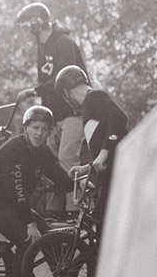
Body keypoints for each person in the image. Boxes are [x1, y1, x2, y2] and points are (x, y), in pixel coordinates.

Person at [0, 105, 75, 277]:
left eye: (44, 129)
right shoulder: (16, 150)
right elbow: (18, 191)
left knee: (49, 237)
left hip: (15, 206)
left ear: (49, 132)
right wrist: (30, 223)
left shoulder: (42, 152)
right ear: (25, 129)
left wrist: (84, 183)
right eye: (35, 128)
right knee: (27, 240)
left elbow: (61, 179)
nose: (39, 133)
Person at [54, 65, 129, 245]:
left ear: (66, 93)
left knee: (106, 232)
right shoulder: (90, 104)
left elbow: (119, 118)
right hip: (112, 174)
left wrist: (102, 156)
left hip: (119, 175)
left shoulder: (94, 98)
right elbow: (108, 148)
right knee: (103, 229)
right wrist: (86, 167)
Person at [15, 2, 90, 171]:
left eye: (25, 27)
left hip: (74, 112)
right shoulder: (42, 48)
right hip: (56, 114)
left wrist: (34, 91)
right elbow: (45, 83)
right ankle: (55, 198)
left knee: (66, 158)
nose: (24, 33)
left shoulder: (64, 43)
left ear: (37, 25)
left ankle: (76, 198)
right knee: (48, 161)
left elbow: (63, 79)